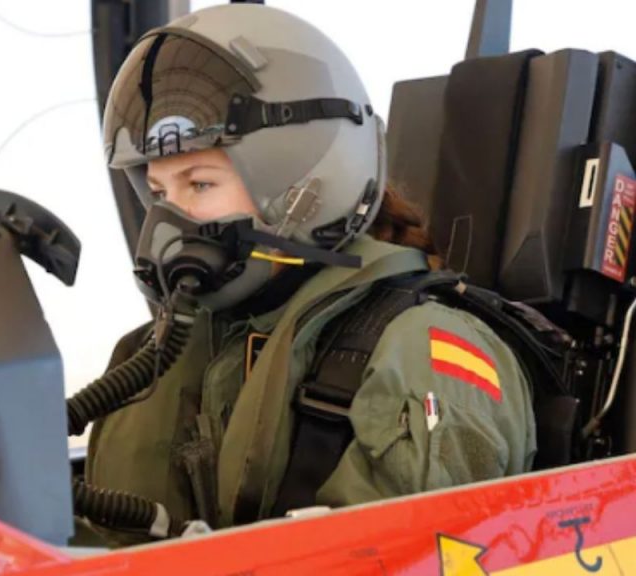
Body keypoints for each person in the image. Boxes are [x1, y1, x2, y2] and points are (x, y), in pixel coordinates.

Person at [75, 3, 535, 543]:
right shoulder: (158, 353)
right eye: (158, 192)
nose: (169, 220)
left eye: (199, 185)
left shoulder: (425, 357)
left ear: (304, 188)